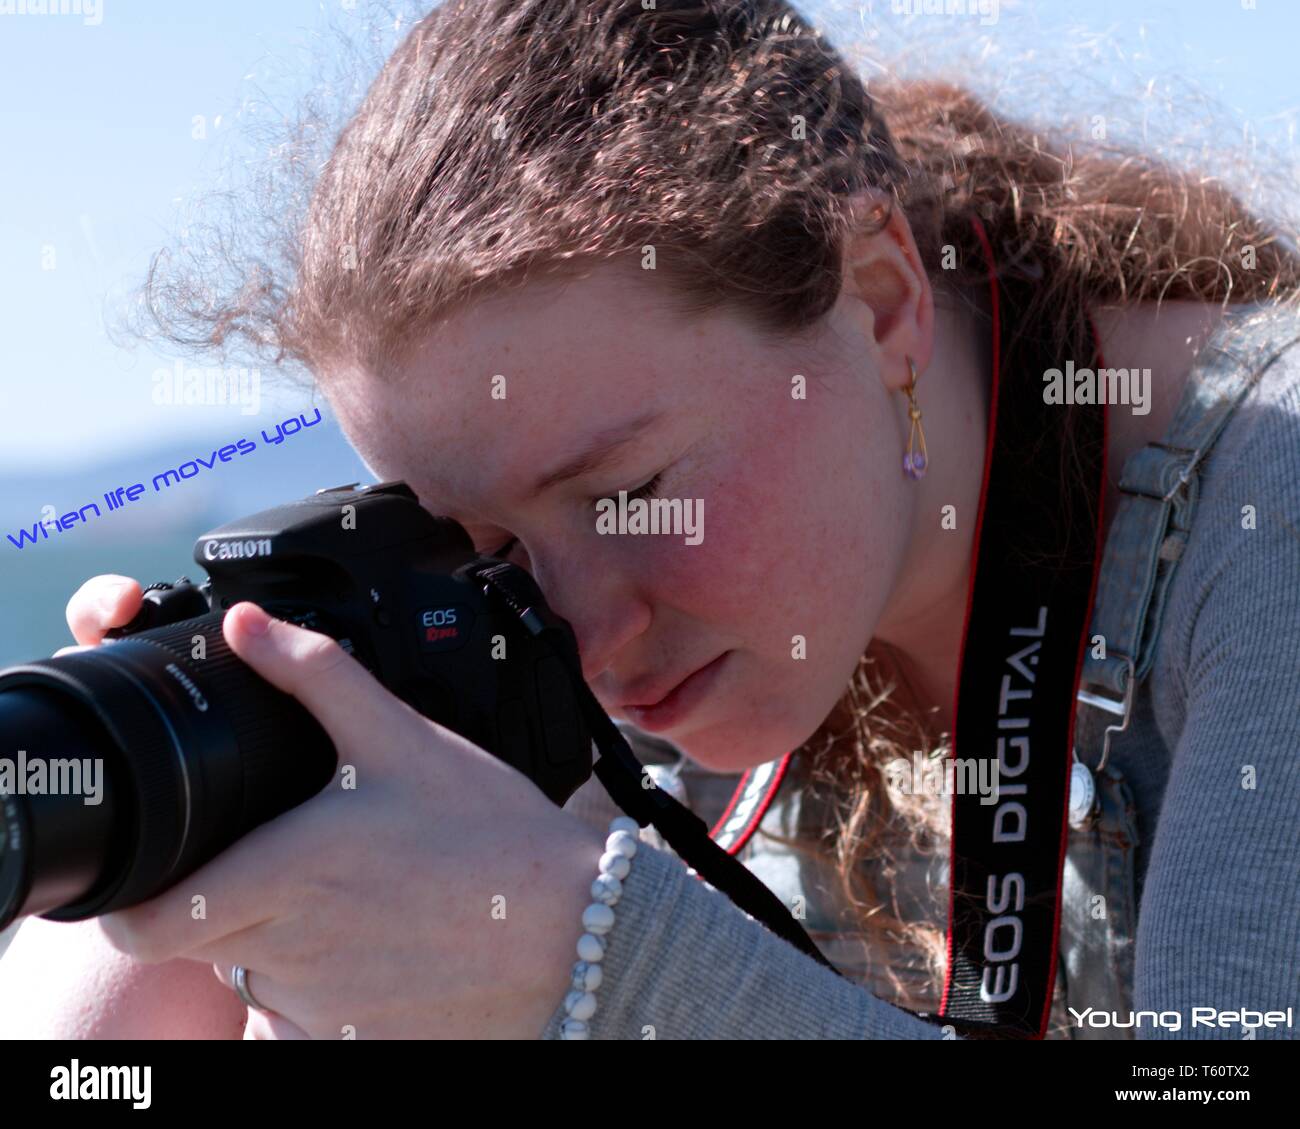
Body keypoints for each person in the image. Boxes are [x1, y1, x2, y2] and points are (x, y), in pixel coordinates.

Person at [2, 0, 1298, 1040]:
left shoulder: (1268, 510)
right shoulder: (643, 632)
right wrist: (191, 821)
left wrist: (580, 963)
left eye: (630, 494)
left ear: (883, 295)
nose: (590, 637)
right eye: (483, 554)